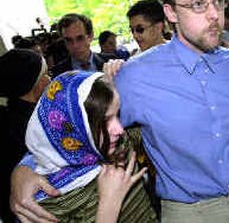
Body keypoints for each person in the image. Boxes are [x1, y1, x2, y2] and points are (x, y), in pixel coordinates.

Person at [10, 0, 229, 222]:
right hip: (191, 212)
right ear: (170, 12)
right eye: (197, 4)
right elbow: (80, 129)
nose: (213, 16)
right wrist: (24, 169)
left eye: (218, 2)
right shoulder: (135, 77)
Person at [19, 71, 157, 222]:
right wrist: (109, 205)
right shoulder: (46, 201)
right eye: (105, 121)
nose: (119, 130)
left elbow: (155, 127)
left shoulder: (119, 144)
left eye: (117, 115)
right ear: (71, 129)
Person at [0, 49, 50, 223]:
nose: (50, 79)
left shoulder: (8, 117)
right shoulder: (36, 125)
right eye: (45, 74)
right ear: (32, 83)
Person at [50, 13, 116, 77]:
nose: (75, 45)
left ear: (90, 36)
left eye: (80, 38)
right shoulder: (57, 74)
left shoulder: (112, 62)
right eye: (68, 40)